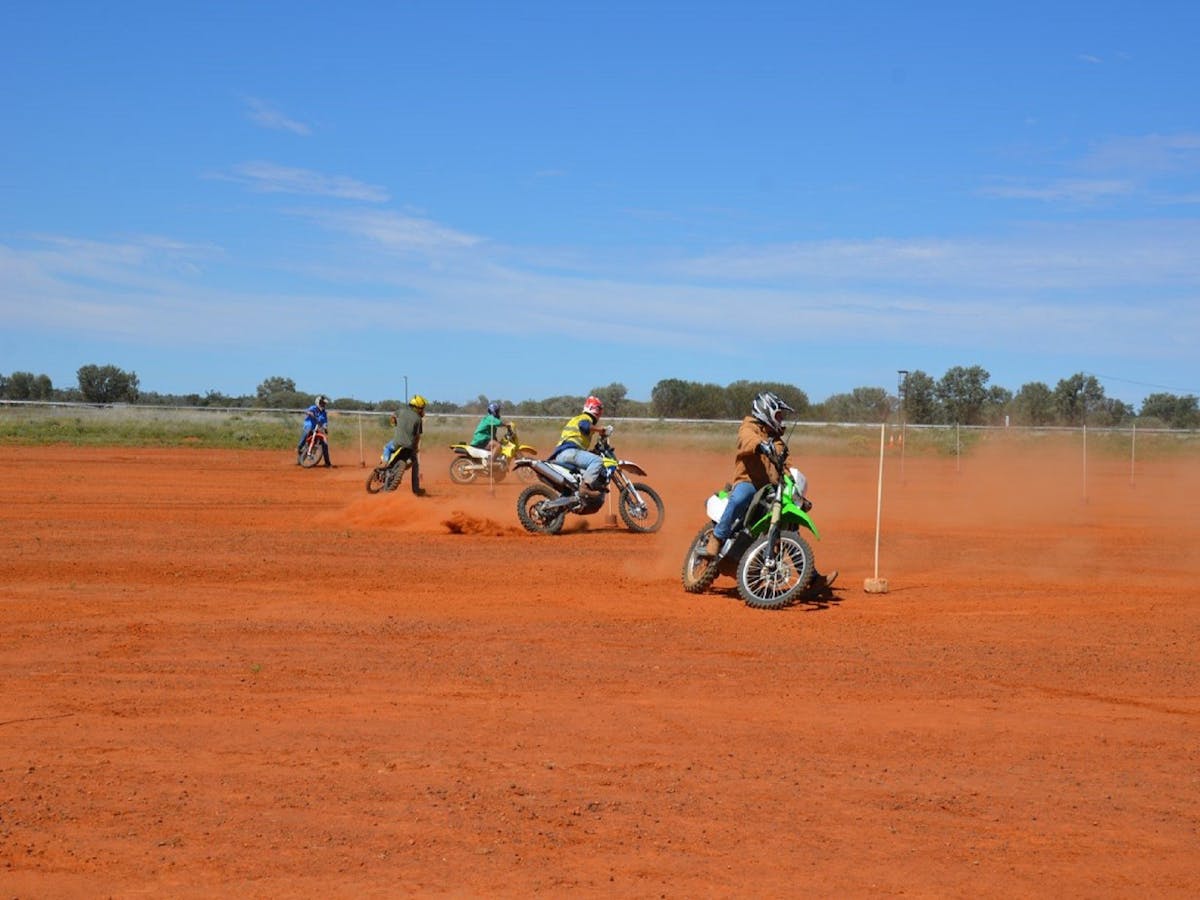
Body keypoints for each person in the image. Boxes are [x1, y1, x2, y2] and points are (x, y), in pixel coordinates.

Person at [700, 391, 837, 590]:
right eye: (779, 415)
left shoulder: (779, 441)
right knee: (741, 498)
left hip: (771, 488)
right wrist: (761, 445)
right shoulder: (749, 426)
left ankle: (811, 579)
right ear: (766, 411)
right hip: (749, 481)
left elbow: (788, 468)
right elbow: (746, 439)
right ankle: (717, 538)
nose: (781, 420)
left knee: (790, 527)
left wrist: (798, 494)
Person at [549, 395, 607, 497]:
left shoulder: (577, 418)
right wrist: (600, 430)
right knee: (597, 461)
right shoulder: (585, 418)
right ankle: (584, 488)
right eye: (599, 409)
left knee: (583, 474)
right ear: (593, 408)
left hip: (563, 454)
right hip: (569, 452)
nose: (600, 412)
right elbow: (583, 426)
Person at [384, 394, 427, 496]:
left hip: (396, 443)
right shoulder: (418, 420)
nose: (422, 410)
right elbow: (417, 437)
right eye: (421, 408)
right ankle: (416, 489)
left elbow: (393, 416)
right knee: (415, 464)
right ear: (417, 408)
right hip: (409, 447)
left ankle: (384, 463)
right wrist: (415, 448)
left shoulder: (401, 411)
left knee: (387, 448)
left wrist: (394, 424)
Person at [296, 395, 331, 467]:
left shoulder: (324, 412)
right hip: (309, 426)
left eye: (324, 404)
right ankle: (300, 448)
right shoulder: (313, 408)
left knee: (324, 443)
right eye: (322, 403)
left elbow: (325, 422)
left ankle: (327, 462)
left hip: (318, 428)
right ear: (318, 402)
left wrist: (325, 426)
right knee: (306, 432)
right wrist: (309, 413)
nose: (323, 405)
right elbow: (307, 411)